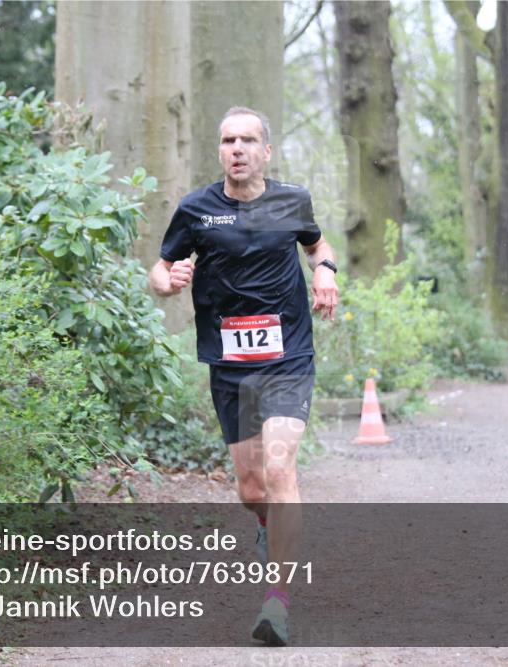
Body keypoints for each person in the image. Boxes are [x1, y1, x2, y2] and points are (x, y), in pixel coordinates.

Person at [148, 106, 338, 646]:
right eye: (228, 140)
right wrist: (168, 281)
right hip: (230, 366)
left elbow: (317, 243)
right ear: (220, 151)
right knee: (252, 489)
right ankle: (264, 527)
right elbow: (160, 268)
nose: (237, 148)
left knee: (280, 471)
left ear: (265, 152)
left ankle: (277, 602)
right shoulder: (196, 211)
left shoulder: (291, 201)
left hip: (287, 358)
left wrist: (324, 269)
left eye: (247, 140)